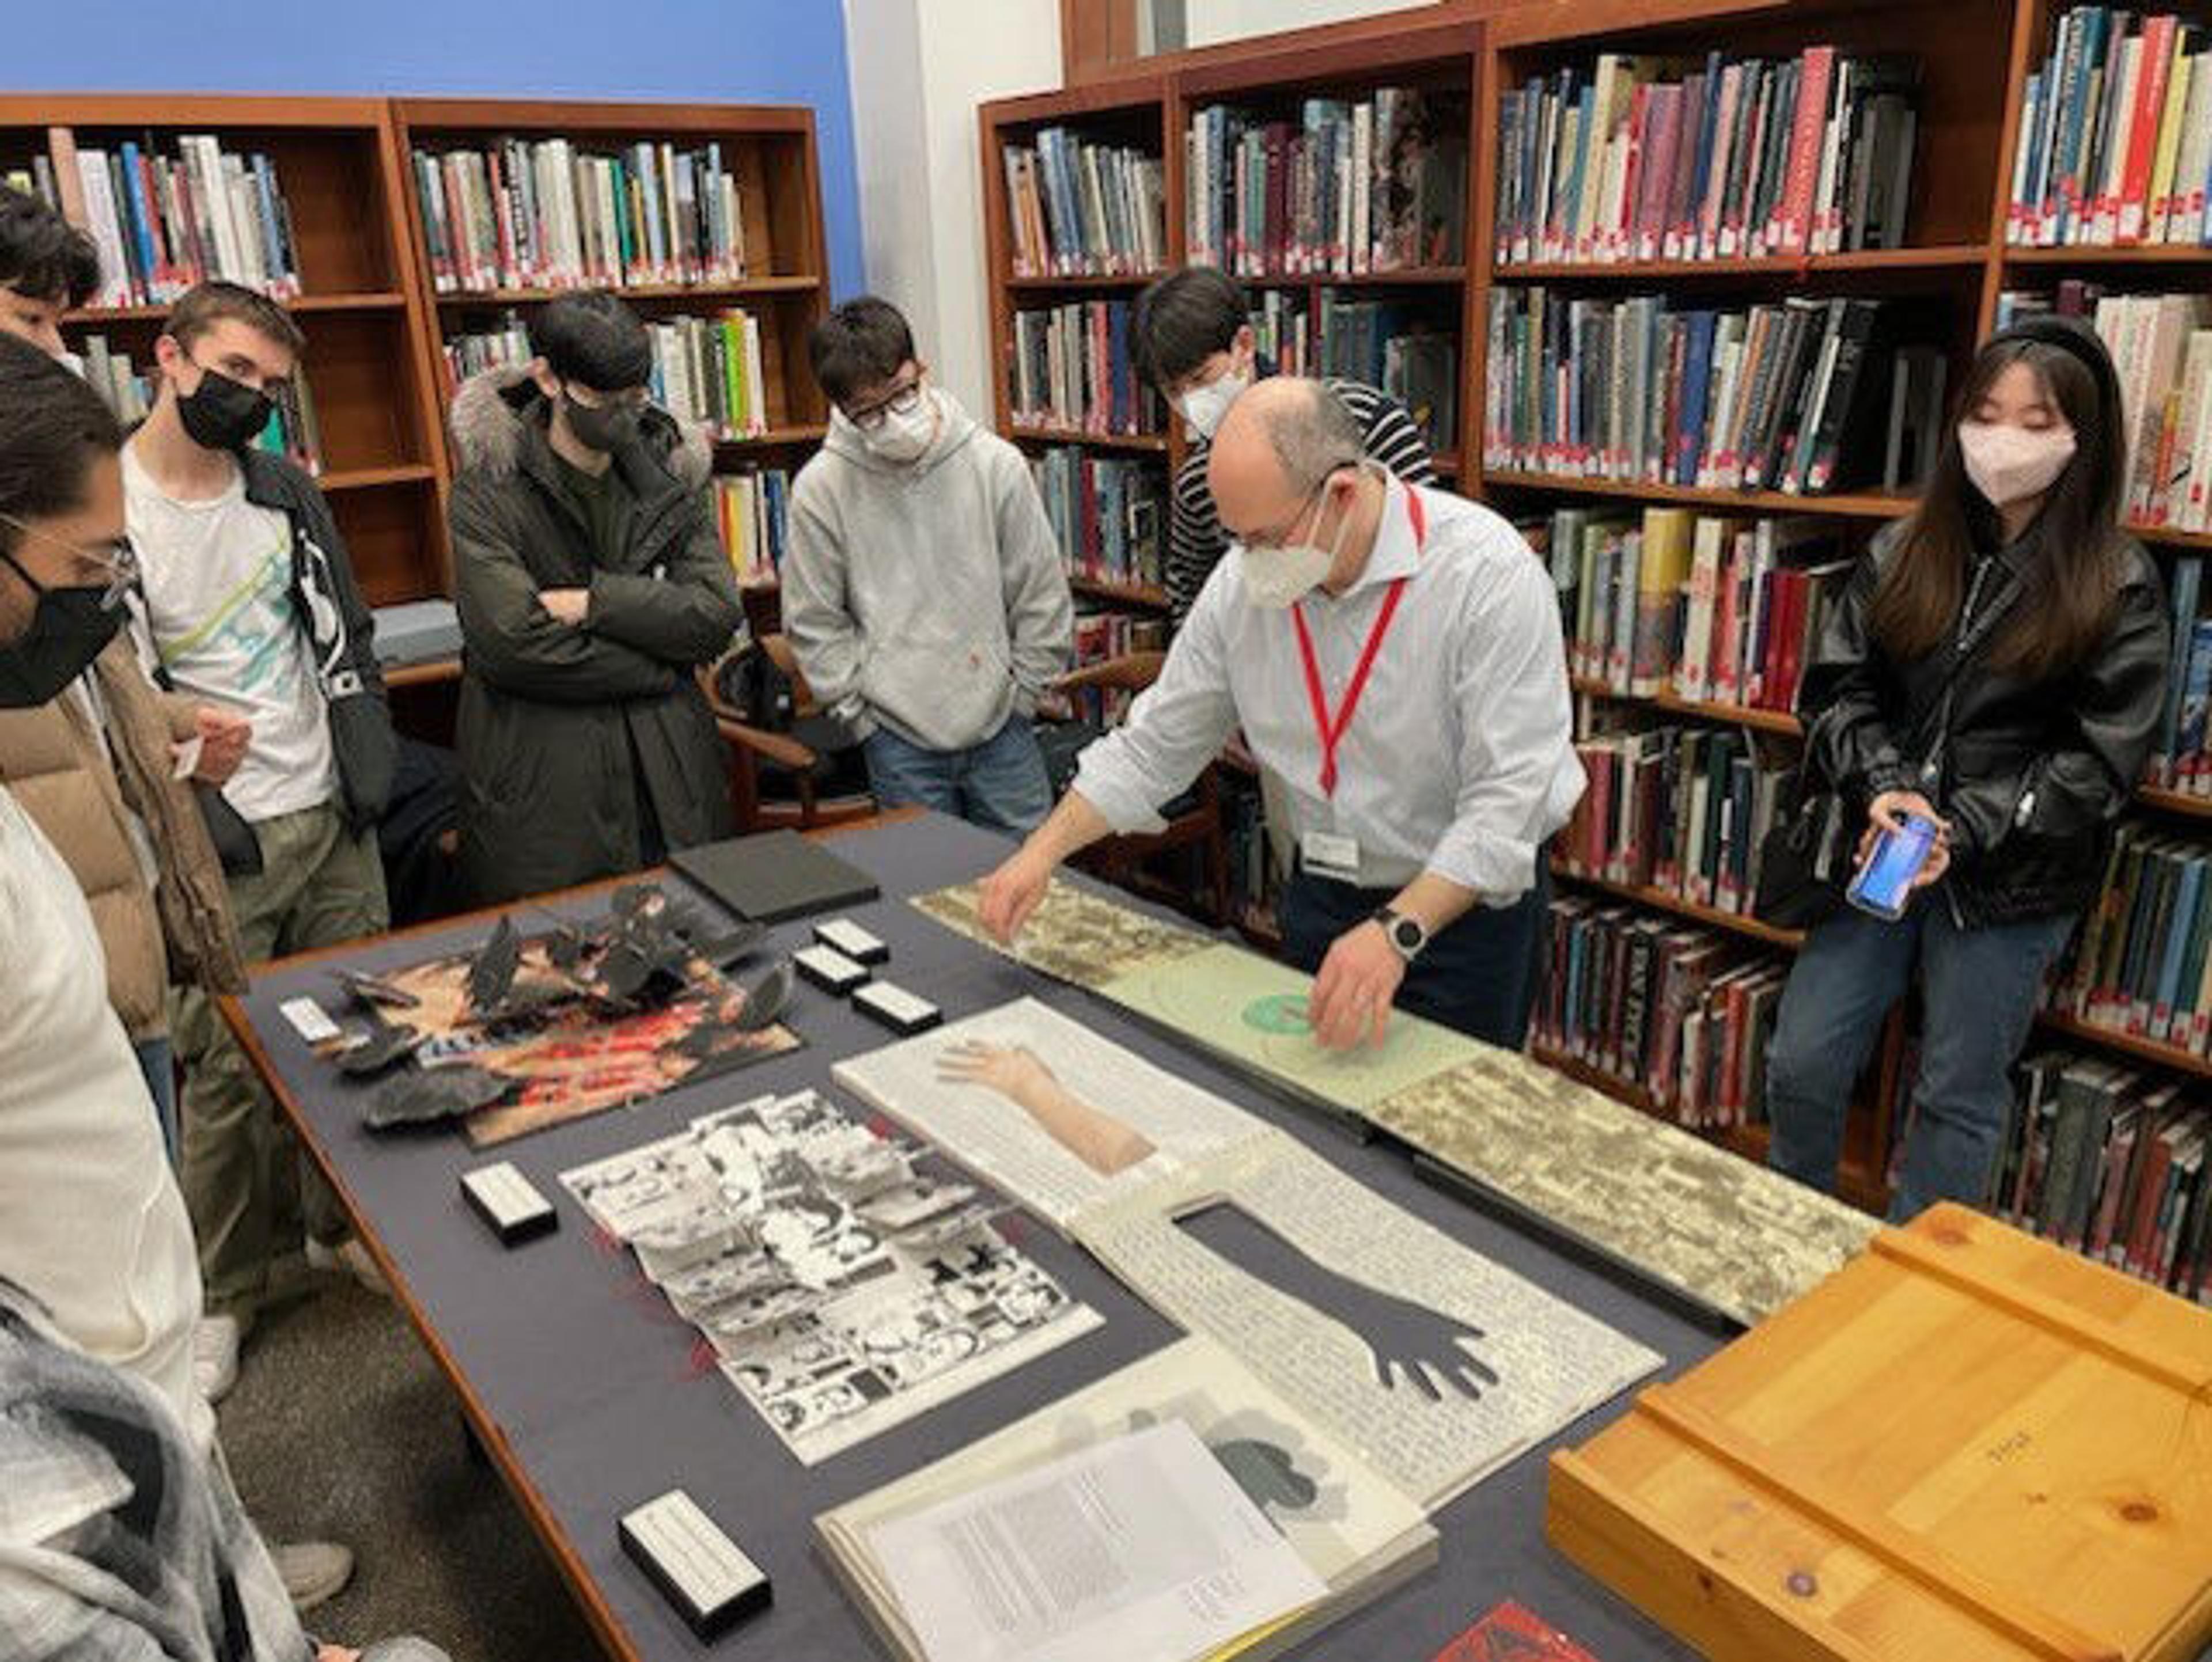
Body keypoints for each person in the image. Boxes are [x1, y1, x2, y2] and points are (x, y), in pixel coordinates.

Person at [0, 335, 396, 1625]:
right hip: (63, 1387)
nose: (102, 597)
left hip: (105, 1283)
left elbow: (121, 701)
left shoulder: (272, 498)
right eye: (83, 570)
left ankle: (234, 1585)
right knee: (227, 1085)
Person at [979, 378, 1582, 1049]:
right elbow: (1156, 744)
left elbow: (1509, 800)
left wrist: (1399, 930)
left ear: (1343, 494)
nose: (1248, 560)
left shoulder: (1485, 574)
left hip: (1459, 913)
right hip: (1322, 894)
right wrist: (1041, 853)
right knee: (1323, 1123)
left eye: (1264, 538)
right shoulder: (1243, 582)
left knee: (1445, 1135)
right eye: (1236, 539)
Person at [1766, 317, 2169, 1221]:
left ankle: (1917, 1283)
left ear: (2082, 437)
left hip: (2011, 877)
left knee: (1958, 1090)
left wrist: (1970, 823)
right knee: (1805, 1054)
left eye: (2036, 422)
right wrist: (1883, 788)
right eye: (1987, 415)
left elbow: (2101, 761)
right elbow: (1833, 692)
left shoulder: (2120, 581)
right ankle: (1789, 1232)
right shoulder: (1905, 548)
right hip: (1887, 847)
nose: (2004, 442)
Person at [123, 282, 396, 1405]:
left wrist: (366, 765)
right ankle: (226, 1293)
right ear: (170, 358)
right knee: (226, 1073)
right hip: (211, 832)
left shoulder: (283, 490)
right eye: (233, 373)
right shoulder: (107, 507)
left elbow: (345, 628)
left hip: (328, 809)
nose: (252, 401)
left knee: (358, 1035)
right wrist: (189, 783)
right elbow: (118, 695)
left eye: (271, 388)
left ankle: (347, 1233)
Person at [0, 183, 249, 1160]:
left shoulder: (43, 490)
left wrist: (158, 722)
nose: (55, 350)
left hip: (116, 941)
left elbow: (75, 706)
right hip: (46, 1015)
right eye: (28, 316)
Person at [448, 290, 744, 903]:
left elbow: (716, 613)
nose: (624, 418)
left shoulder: (669, 471)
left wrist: (595, 604)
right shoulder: (488, 488)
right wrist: (662, 663)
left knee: (698, 955)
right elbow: (512, 643)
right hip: (549, 793)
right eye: (603, 401)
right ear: (548, 378)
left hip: (672, 779)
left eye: (636, 399)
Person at [785, 297, 1073, 833]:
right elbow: (813, 619)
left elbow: (1040, 591)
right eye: (869, 412)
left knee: (1036, 893)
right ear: (842, 410)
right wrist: (859, 718)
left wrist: (1026, 695)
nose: (893, 419)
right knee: (926, 896)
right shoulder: (821, 490)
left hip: (1003, 727)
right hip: (897, 739)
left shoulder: (995, 465)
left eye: (902, 393)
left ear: (922, 370)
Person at [1134, 264, 1435, 622]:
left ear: (1244, 345)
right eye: (1174, 391)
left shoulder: (1365, 419)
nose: (1191, 400)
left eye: (1201, 378)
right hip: (1274, 654)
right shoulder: (1199, 481)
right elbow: (1193, 609)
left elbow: (1431, 548)